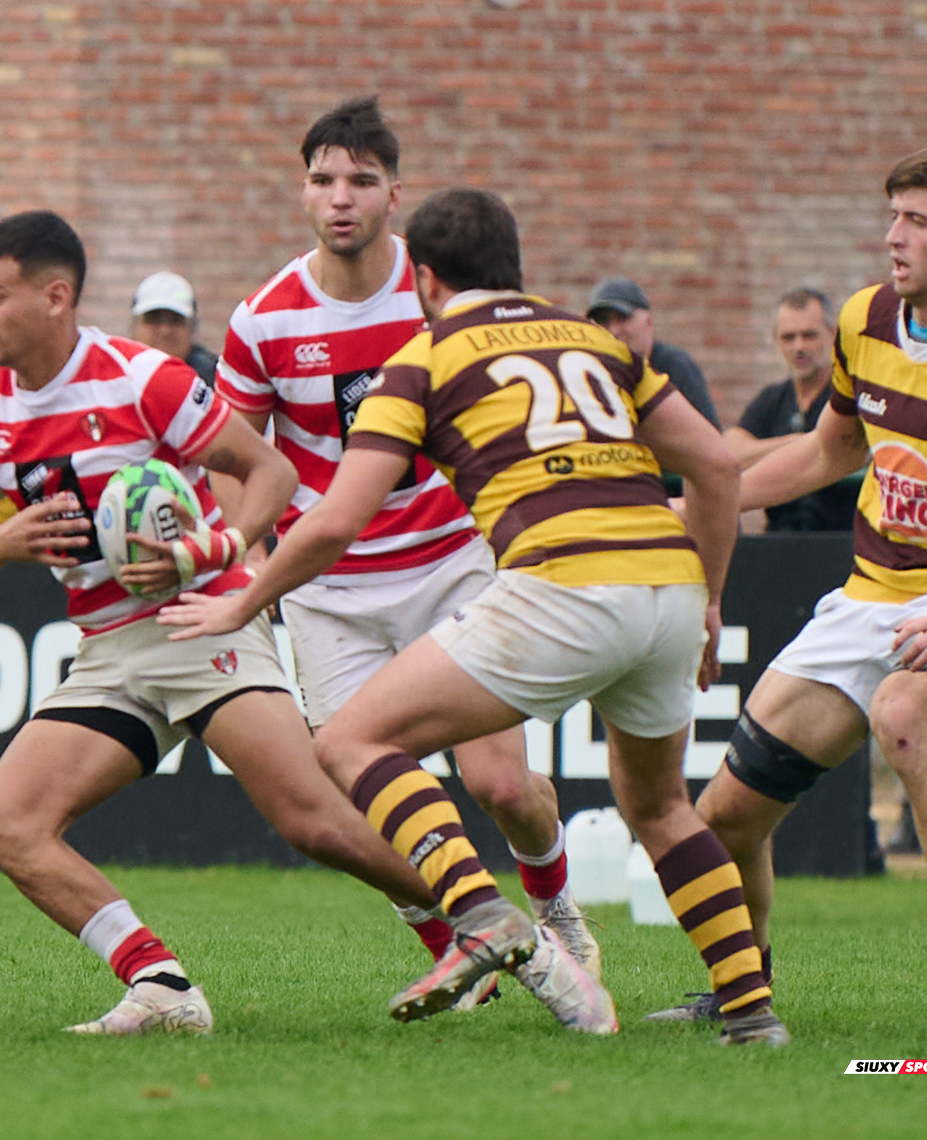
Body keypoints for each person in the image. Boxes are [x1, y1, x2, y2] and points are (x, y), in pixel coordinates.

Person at [0, 209, 601, 1037]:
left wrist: (213, 548)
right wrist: (0, 541)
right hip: (108, 650)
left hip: (203, 625)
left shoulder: (144, 378)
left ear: (55, 297)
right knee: (5, 824)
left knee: (316, 821)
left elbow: (270, 472)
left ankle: (514, 939)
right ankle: (164, 988)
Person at [164, 187, 785, 1045]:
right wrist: (710, 598)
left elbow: (336, 519)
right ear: (514, 264)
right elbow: (716, 468)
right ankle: (752, 1014)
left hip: (560, 583)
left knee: (349, 742)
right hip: (667, 584)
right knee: (662, 808)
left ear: (423, 277)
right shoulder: (594, 339)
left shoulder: (422, 360)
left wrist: (244, 598)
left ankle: (480, 912)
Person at [216, 97, 591, 991]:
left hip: (450, 564)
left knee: (502, 786)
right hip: (326, 590)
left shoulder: (439, 300)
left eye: (360, 180)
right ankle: (461, 955)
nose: (339, 197)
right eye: (321, 179)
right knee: (367, 794)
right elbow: (237, 458)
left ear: (396, 194)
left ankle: (557, 912)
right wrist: (244, 559)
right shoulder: (263, 318)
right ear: (302, 190)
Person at [672, 140, 927, 1036]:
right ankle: (743, 986)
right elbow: (831, 449)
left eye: (915, 219)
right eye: (891, 214)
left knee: (905, 712)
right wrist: (710, 502)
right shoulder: (866, 318)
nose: (891, 235)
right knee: (727, 813)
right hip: (870, 596)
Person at [723, 288, 859, 532]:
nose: (799, 346)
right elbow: (731, 450)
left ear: (832, 334)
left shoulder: (849, 396)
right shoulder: (772, 399)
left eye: (809, 335)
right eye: (788, 337)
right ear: (775, 340)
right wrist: (800, 443)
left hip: (843, 542)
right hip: (779, 540)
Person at [587, 275, 722, 427]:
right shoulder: (590, 372)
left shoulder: (676, 367)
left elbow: (708, 438)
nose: (613, 330)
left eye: (622, 318)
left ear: (649, 321)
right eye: (603, 321)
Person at [130, 271, 217, 382]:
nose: (165, 330)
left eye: (176, 320)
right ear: (134, 326)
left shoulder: (215, 383)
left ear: (193, 328)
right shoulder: (113, 380)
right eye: (153, 319)